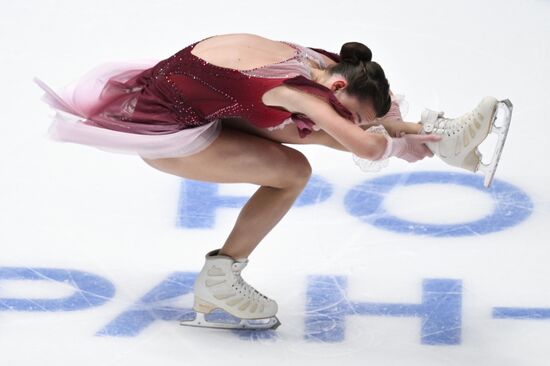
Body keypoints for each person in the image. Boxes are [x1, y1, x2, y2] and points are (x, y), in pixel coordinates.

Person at [34, 33, 507, 330]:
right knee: (295, 169)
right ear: (339, 87)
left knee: (325, 130)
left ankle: (444, 140)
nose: (351, 116)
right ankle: (219, 279)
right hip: (167, 131)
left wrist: (401, 131)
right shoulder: (290, 91)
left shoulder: (326, 64)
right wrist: (392, 142)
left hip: (204, 99)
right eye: (349, 107)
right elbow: (366, 145)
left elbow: (371, 117)